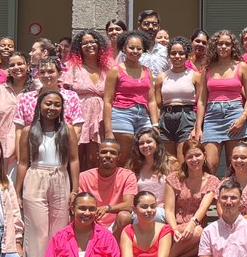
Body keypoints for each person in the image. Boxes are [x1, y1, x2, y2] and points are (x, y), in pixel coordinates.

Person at [16, 89, 80, 257]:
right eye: (48, 104)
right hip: (35, 177)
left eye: (56, 104)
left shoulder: (67, 130)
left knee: (58, 234)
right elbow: (23, 162)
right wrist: (17, 192)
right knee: (36, 234)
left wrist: (74, 189)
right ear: (39, 106)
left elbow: (73, 160)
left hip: (60, 178)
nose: (52, 108)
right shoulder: (28, 131)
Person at [198, 29, 247, 173]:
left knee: (235, 165)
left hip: (234, 114)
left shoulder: (241, 66)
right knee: (210, 166)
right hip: (212, 117)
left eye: (227, 44)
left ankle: (233, 195)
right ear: (214, 46)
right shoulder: (207, 68)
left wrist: (243, 118)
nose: (223, 47)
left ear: (232, 46)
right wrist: (198, 127)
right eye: (220, 44)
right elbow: (202, 100)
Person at [164, 138, 219, 257]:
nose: (194, 159)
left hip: (196, 225)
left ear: (204, 155)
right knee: (195, 233)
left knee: (201, 233)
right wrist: (174, 229)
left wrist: (192, 224)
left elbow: (203, 208)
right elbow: (169, 209)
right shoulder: (174, 178)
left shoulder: (212, 180)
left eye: (198, 155)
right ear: (184, 158)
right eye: (190, 156)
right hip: (175, 225)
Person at [104, 31, 158, 166]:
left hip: (143, 115)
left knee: (147, 152)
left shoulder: (147, 71)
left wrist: (155, 123)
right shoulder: (115, 70)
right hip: (122, 113)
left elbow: (151, 100)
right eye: (131, 47)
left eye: (139, 48)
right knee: (125, 156)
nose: (135, 51)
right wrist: (108, 130)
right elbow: (107, 101)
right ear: (124, 48)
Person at [62, 29, 112, 169]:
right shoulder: (71, 67)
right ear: (79, 47)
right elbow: (63, 93)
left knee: (93, 159)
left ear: (99, 44)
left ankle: (89, 190)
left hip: (100, 117)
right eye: (84, 43)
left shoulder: (108, 68)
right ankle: (74, 189)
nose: (89, 45)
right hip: (77, 117)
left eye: (92, 42)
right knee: (74, 158)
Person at [0, 53, 36, 175]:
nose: (16, 67)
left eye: (20, 63)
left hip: (27, 151)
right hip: (0, 151)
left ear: (28, 66)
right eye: (12, 65)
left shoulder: (36, 91)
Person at [155, 36, 202, 161]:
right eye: (173, 53)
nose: (177, 56)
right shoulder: (161, 77)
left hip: (186, 117)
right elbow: (157, 104)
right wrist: (156, 124)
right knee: (169, 161)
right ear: (169, 56)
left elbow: (202, 103)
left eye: (181, 53)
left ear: (187, 56)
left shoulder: (195, 76)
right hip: (166, 118)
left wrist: (197, 126)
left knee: (183, 158)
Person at [15, 57, 85, 139]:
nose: (46, 75)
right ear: (38, 75)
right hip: (32, 148)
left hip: (62, 148)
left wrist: (67, 148)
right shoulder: (26, 98)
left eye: (50, 71)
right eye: (42, 72)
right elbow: (19, 131)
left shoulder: (71, 97)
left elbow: (77, 128)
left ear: (59, 73)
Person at [78, 137, 138, 231]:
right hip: (91, 222)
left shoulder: (127, 175)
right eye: (104, 152)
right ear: (98, 155)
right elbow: (78, 205)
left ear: (119, 157)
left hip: (115, 225)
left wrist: (107, 208)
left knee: (125, 216)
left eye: (113, 153)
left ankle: (117, 245)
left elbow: (130, 205)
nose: (108, 155)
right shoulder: (84, 177)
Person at [131, 127, 175, 222]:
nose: (145, 145)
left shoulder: (171, 163)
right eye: (141, 143)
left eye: (149, 142)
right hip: (140, 210)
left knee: (157, 214)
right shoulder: (134, 165)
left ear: (157, 143)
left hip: (163, 210)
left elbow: (177, 190)